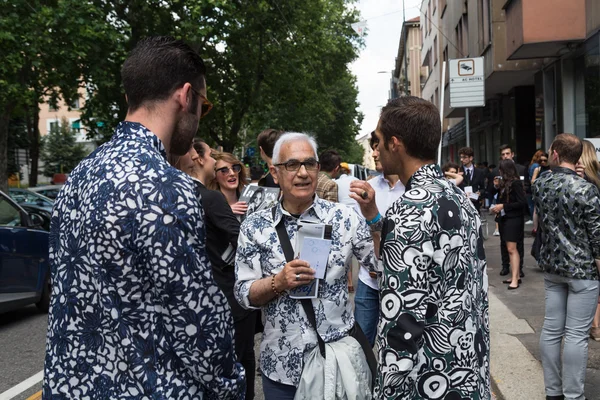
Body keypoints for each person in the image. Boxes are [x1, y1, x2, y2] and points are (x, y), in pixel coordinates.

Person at [43, 36, 244, 398]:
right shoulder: (167, 187)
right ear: (186, 96)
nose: (200, 119)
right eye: (205, 106)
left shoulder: (78, 176)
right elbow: (198, 323)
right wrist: (230, 385)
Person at [351, 96, 490, 399]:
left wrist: (387, 391)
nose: (376, 148)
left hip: (429, 380)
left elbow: (400, 321)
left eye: (379, 140)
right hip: (468, 369)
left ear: (395, 143)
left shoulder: (409, 210)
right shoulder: (459, 199)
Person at [235, 132, 376, 400]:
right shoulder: (255, 226)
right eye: (292, 165)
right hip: (281, 369)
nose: (302, 173)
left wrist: (373, 218)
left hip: (334, 362)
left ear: (318, 169)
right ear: (275, 173)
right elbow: (243, 294)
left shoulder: (345, 218)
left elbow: (379, 269)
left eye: (309, 164)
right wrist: (278, 282)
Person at [175, 140, 258, 399]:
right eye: (212, 156)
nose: (214, 161)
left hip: (196, 298)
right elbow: (241, 241)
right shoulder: (209, 198)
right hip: (229, 294)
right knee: (241, 359)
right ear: (198, 158)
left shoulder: (177, 194)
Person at [533, 133, 600, 400]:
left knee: (551, 330)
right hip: (583, 270)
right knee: (575, 335)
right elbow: (597, 237)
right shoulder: (586, 189)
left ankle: (553, 392)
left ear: (557, 154)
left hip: (553, 268)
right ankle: (574, 395)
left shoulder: (540, 184)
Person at [350, 131, 405, 347]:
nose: (374, 153)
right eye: (372, 147)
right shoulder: (368, 188)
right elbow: (357, 234)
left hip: (400, 284)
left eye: (377, 147)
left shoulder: (413, 190)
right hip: (369, 282)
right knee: (361, 346)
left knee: (397, 346)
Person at [575, 140, 600, 342]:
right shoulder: (596, 179)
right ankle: (595, 326)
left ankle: (594, 326)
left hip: (586, 241)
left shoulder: (585, 182)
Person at [491, 144, 528, 277]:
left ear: (512, 154)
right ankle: (508, 267)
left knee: (515, 245)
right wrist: (496, 187)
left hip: (514, 216)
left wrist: (504, 206)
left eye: (507, 154)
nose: (505, 156)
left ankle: (517, 272)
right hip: (504, 216)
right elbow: (494, 192)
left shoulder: (519, 175)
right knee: (505, 243)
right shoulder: (497, 173)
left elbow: (522, 200)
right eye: (503, 154)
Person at [210, 152, 248, 216]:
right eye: (224, 170)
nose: (232, 173)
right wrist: (225, 212)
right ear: (215, 177)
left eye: (235, 168)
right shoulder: (210, 206)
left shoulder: (250, 200)